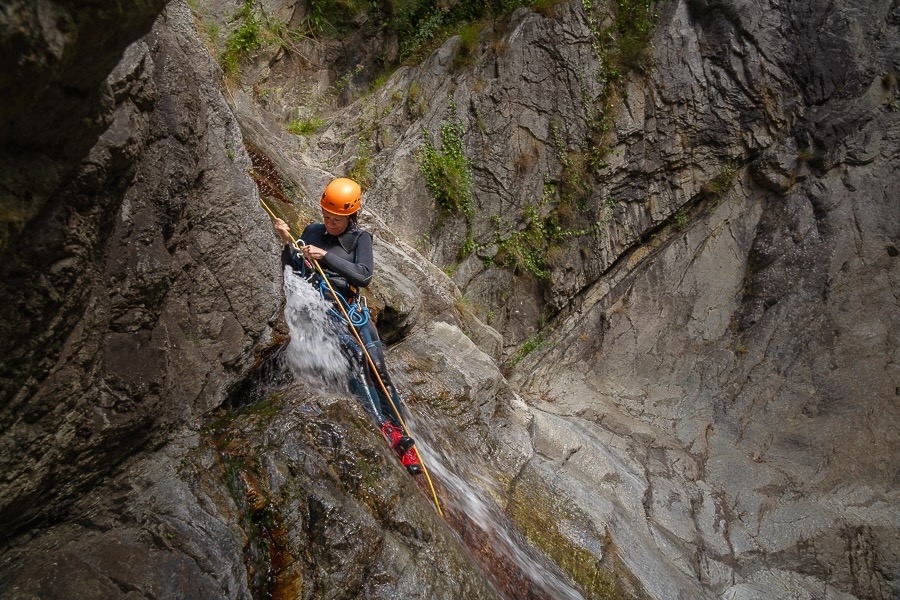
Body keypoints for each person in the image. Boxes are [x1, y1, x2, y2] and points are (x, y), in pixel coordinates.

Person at [273, 177, 422, 475]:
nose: (329, 223)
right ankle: (384, 429)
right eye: (327, 216)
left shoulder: (360, 239)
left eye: (336, 219)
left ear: (350, 216)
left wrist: (325, 256)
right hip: (323, 311)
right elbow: (294, 269)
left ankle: (404, 438)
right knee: (355, 365)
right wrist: (286, 242)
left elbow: (363, 276)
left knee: (378, 369)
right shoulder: (313, 231)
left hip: (352, 310)